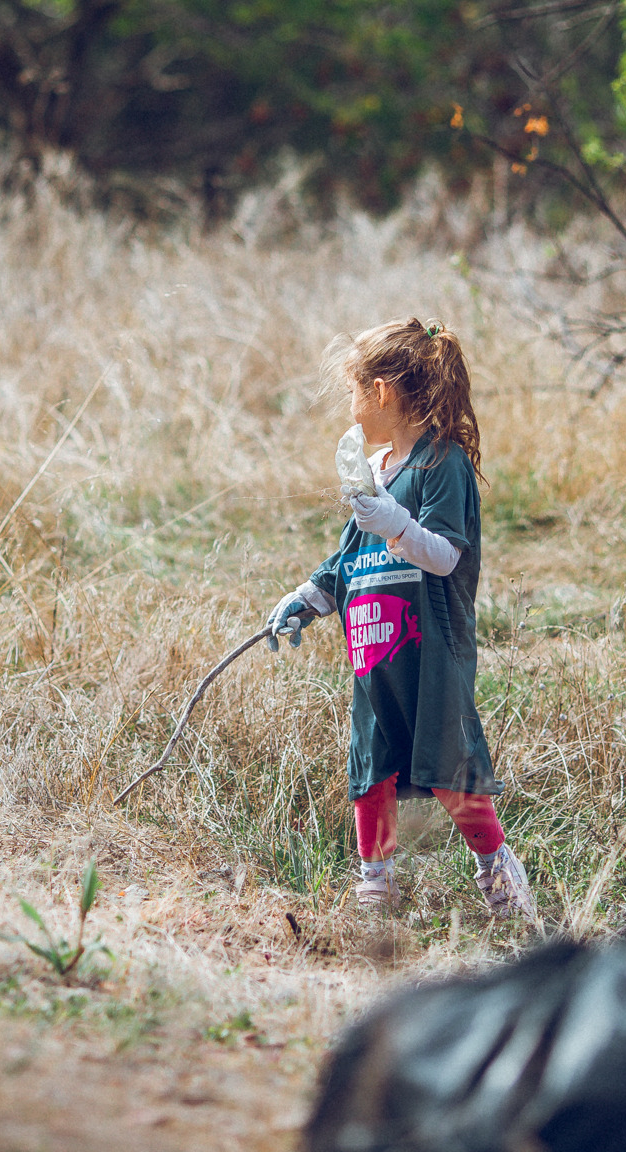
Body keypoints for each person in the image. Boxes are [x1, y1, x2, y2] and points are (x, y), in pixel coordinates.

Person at [262, 318, 534, 917]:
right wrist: (309, 596)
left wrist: (391, 521)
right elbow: (350, 558)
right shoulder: (376, 469)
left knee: (447, 763)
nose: (352, 410)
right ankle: (375, 887)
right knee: (372, 765)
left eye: (355, 393)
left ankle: (499, 874)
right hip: (373, 650)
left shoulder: (442, 464)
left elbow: (443, 556)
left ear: (382, 391)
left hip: (430, 651)